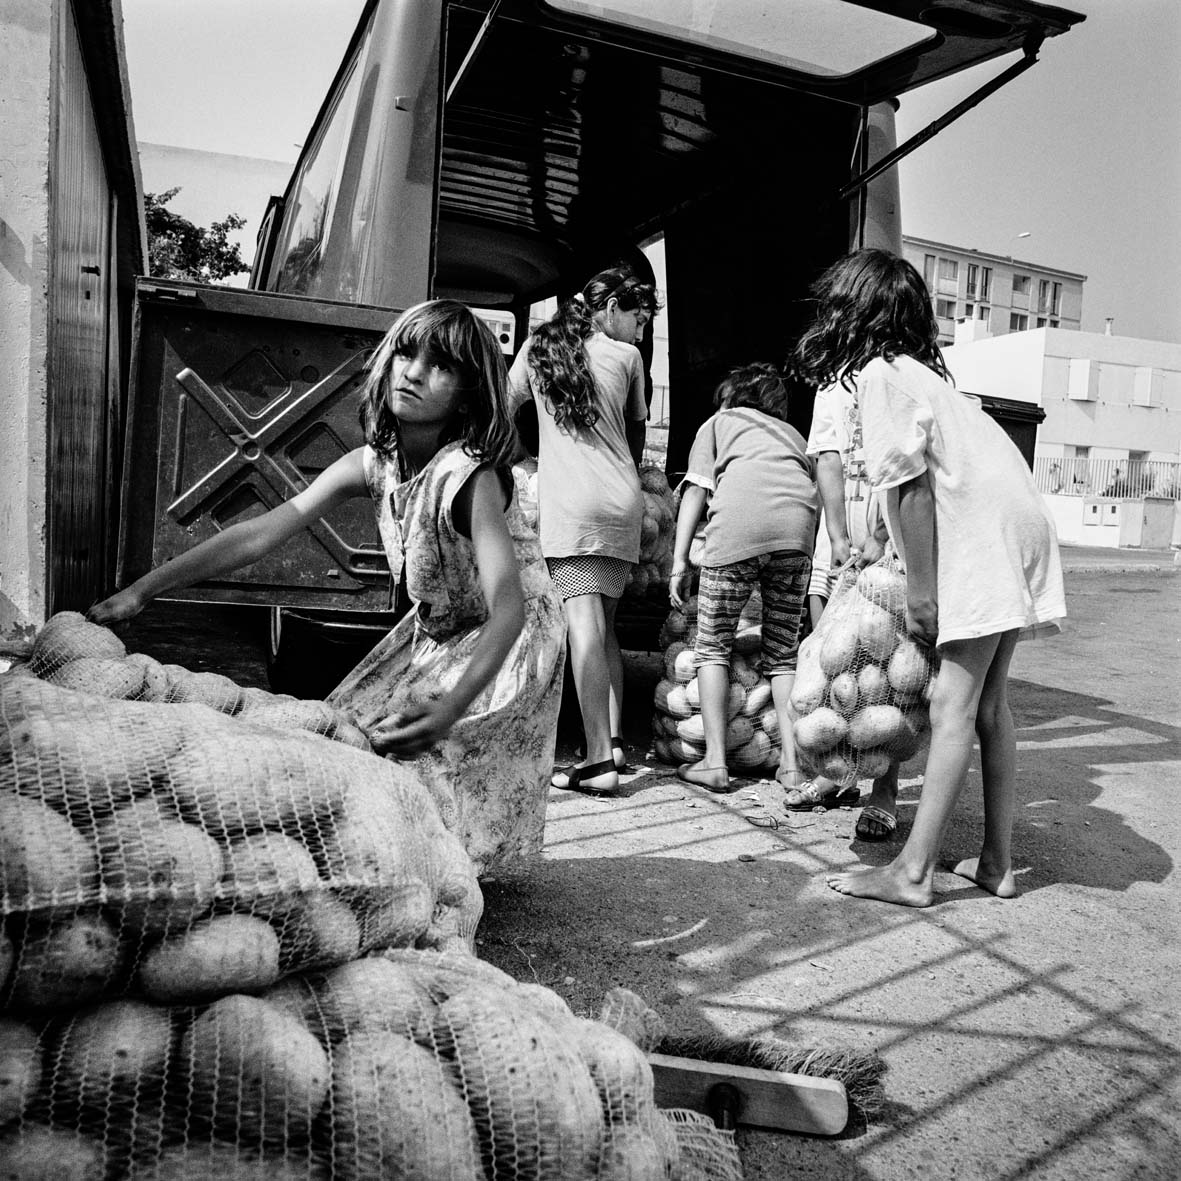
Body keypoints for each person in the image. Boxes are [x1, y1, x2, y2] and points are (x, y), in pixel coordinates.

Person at [90, 300, 567, 872]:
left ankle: (434, 880)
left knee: (429, 762)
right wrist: (144, 590)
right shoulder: (376, 463)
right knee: (343, 732)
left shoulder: (470, 477)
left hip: (507, 638)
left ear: (468, 392)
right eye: (406, 354)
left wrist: (451, 708)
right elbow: (260, 533)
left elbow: (508, 610)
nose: (413, 372)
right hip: (439, 631)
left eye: (440, 366)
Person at [794, 249, 1066, 907]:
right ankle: (995, 863)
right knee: (987, 704)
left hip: (988, 532)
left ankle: (911, 873)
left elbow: (911, 489)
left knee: (949, 702)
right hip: (1020, 520)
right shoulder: (921, 377)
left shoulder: (882, 376)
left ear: (853, 313)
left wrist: (920, 589)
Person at [508, 266, 659, 796]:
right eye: (637, 320)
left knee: (582, 625)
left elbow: (507, 415)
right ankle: (614, 741)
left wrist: (526, 458)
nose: (639, 334)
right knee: (605, 626)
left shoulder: (538, 350)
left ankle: (598, 760)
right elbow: (636, 440)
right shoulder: (628, 359)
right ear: (611, 306)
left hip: (573, 504)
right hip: (624, 503)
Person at [668, 363, 817, 793]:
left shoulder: (718, 424)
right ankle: (791, 765)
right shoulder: (794, 436)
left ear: (732, 397)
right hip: (796, 534)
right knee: (782, 653)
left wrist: (679, 562)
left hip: (737, 530)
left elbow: (696, 490)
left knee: (711, 645)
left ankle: (715, 762)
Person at [792, 375, 901, 839]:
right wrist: (837, 537)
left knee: (895, 675)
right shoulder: (832, 385)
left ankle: (886, 789)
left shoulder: (904, 375)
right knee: (832, 663)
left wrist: (881, 537)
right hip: (844, 535)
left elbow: (908, 465)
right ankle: (838, 773)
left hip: (895, 540)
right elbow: (828, 456)